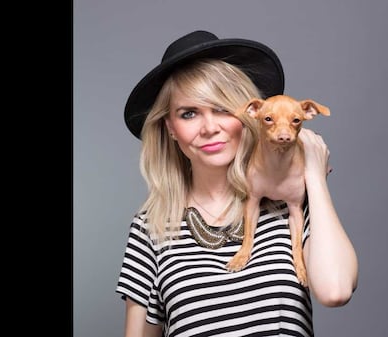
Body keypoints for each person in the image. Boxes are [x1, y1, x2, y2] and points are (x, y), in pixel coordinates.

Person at [116, 30, 358, 337]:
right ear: (171, 128)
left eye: (222, 109)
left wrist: (312, 173)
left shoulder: (289, 203)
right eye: (189, 113)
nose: (209, 128)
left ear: (248, 115)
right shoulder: (150, 227)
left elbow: (336, 290)